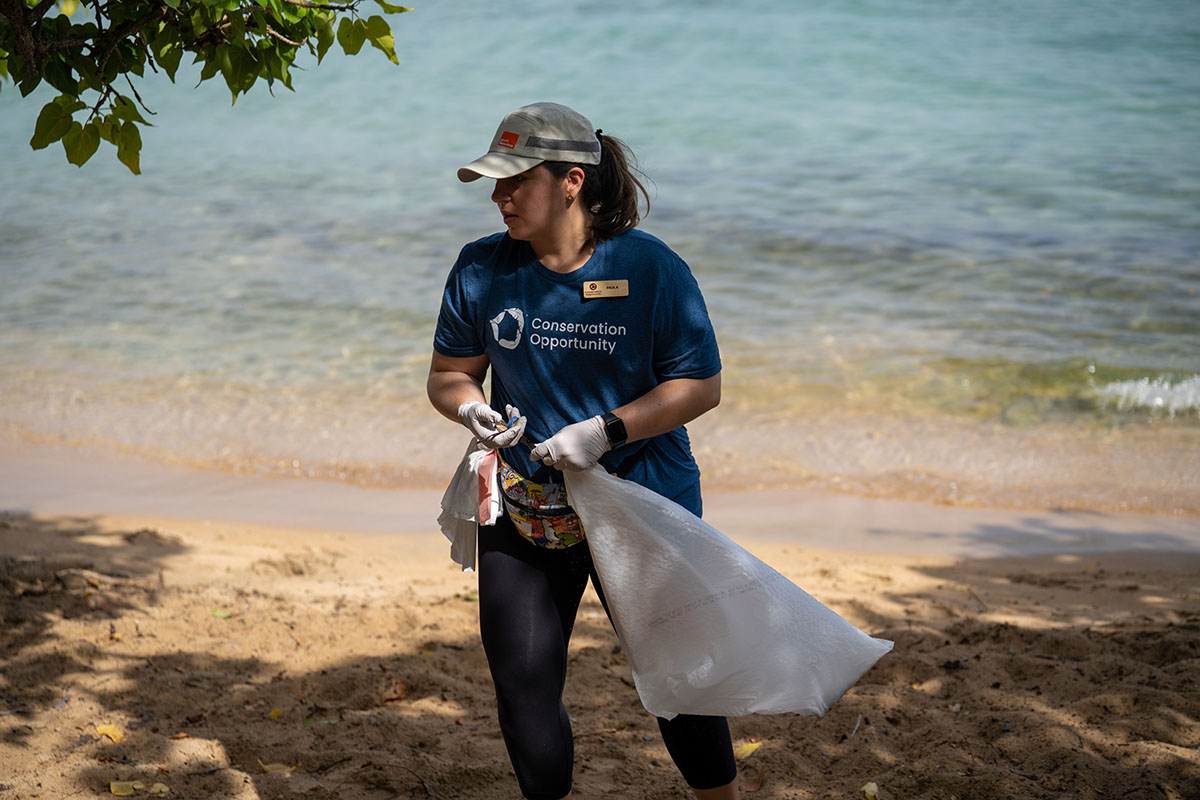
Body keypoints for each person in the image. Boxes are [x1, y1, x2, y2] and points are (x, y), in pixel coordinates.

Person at [427, 101, 738, 800]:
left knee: (679, 678)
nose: (501, 196)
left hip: (641, 499)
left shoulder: (651, 269)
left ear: (572, 180)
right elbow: (450, 376)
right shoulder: (481, 269)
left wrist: (606, 431)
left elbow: (701, 386)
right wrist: (471, 411)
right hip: (527, 501)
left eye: (516, 180)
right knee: (522, 687)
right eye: (494, 182)